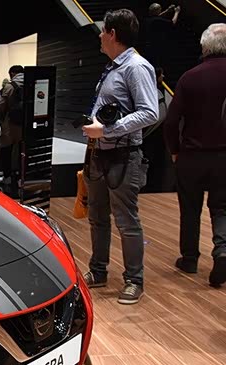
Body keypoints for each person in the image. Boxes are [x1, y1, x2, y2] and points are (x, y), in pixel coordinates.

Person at [81, 9, 159, 305]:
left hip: (123, 155)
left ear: (112, 34)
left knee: (126, 220)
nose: (100, 36)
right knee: (97, 216)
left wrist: (107, 129)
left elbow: (150, 112)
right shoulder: (113, 67)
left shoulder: (136, 67)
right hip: (99, 154)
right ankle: (98, 271)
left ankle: (134, 280)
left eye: (103, 31)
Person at [163, 23, 226, 287]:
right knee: (222, 207)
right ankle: (222, 250)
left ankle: (189, 259)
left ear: (204, 46)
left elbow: (170, 121)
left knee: (190, 208)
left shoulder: (190, 77)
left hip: (192, 155)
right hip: (224, 157)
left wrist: (175, 150)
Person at [0, 65, 25, 192]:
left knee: (6, 150)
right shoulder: (30, 84)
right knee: (22, 151)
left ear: (12, 73)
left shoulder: (10, 86)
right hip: (25, 124)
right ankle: (21, 178)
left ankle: (7, 177)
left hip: (10, 123)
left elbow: (2, 105)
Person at [142, 3, 181, 70]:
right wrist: (177, 12)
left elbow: (157, 16)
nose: (161, 10)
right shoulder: (157, 20)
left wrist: (167, 10)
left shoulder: (147, 19)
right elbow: (172, 23)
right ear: (157, 11)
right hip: (156, 48)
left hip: (148, 47)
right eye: (159, 9)